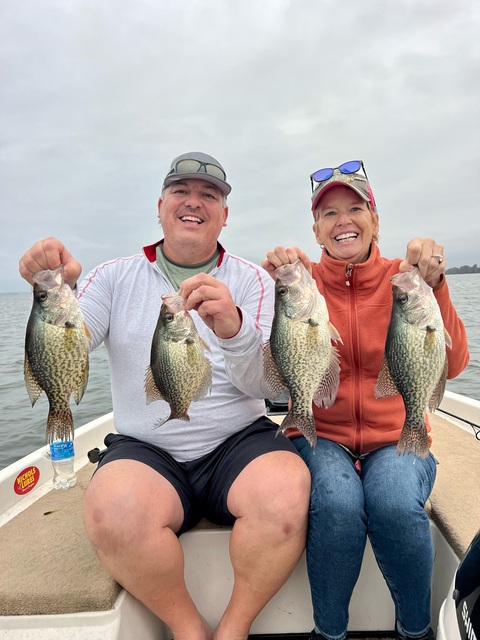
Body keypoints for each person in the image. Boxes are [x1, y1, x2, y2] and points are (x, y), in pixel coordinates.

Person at [19, 151, 311, 640]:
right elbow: (76, 338)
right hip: (147, 447)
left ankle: (233, 630)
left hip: (237, 441)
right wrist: (50, 289)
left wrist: (235, 330)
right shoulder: (112, 277)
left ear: (224, 215)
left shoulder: (256, 281)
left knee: (287, 494)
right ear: (160, 206)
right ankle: (188, 629)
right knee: (110, 512)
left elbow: (273, 386)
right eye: (181, 191)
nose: (193, 202)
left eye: (209, 195)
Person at [262, 160, 470, 640]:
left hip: (396, 432)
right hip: (320, 433)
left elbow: (453, 365)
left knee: (395, 502)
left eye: (355, 208)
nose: (343, 221)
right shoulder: (302, 281)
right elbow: (273, 358)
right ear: (315, 230)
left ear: (376, 220)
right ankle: (329, 632)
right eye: (329, 213)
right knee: (336, 503)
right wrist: (276, 270)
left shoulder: (407, 280)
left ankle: (416, 631)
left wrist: (436, 286)